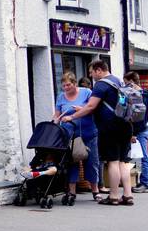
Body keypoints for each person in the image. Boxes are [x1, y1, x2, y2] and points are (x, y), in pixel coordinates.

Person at [61, 59, 133, 205]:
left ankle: (113, 196)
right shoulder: (118, 81)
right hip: (125, 125)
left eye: (92, 72)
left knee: (112, 162)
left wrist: (72, 117)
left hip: (110, 127)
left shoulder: (101, 85)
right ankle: (127, 195)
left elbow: (91, 107)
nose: (91, 75)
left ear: (99, 70)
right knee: (122, 162)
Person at [52, 71, 100, 199]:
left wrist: (80, 110)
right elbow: (57, 113)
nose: (66, 88)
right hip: (69, 134)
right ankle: (72, 191)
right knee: (71, 162)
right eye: (64, 86)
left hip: (88, 133)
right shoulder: (61, 96)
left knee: (91, 162)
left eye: (68, 85)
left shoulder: (86, 92)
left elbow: (94, 109)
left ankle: (95, 190)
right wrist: (56, 119)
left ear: (74, 83)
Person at [123, 72, 148, 193]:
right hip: (143, 129)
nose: (125, 85)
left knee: (142, 157)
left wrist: (133, 133)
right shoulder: (146, 93)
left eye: (126, 82)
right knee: (143, 157)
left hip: (138, 130)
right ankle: (142, 182)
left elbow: (136, 117)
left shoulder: (136, 95)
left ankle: (145, 184)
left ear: (131, 81)